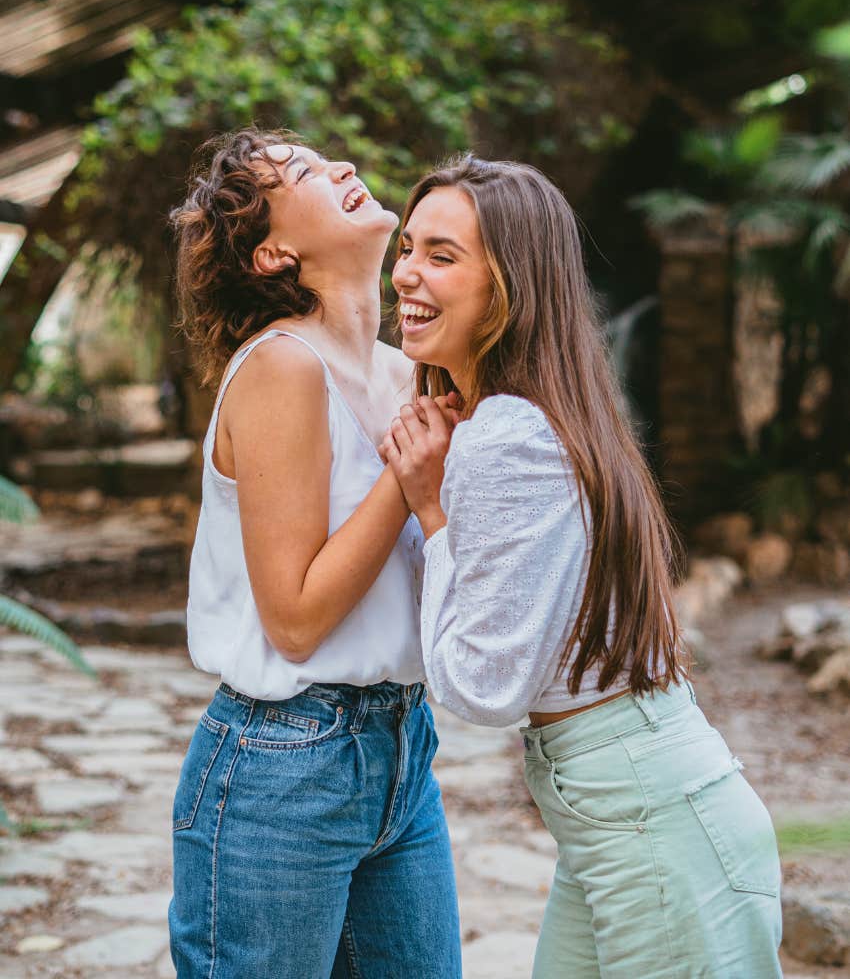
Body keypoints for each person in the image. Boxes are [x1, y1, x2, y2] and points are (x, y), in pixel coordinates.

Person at [380, 155, 783, 978]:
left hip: (654, 827)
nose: (408, 273)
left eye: (444, 255)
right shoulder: (540, 415)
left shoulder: (504, 437)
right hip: (635, 814)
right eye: (409, 245)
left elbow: (483, 687)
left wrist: (431, 510)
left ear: (510, 286)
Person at [167, 129, 461, 979]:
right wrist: (404, 479)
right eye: (300, 172)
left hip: (404, 750)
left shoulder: (411, 375)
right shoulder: (283, 369)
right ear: (273, 254)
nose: (339, 166)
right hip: (281, 768)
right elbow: (293, 620)